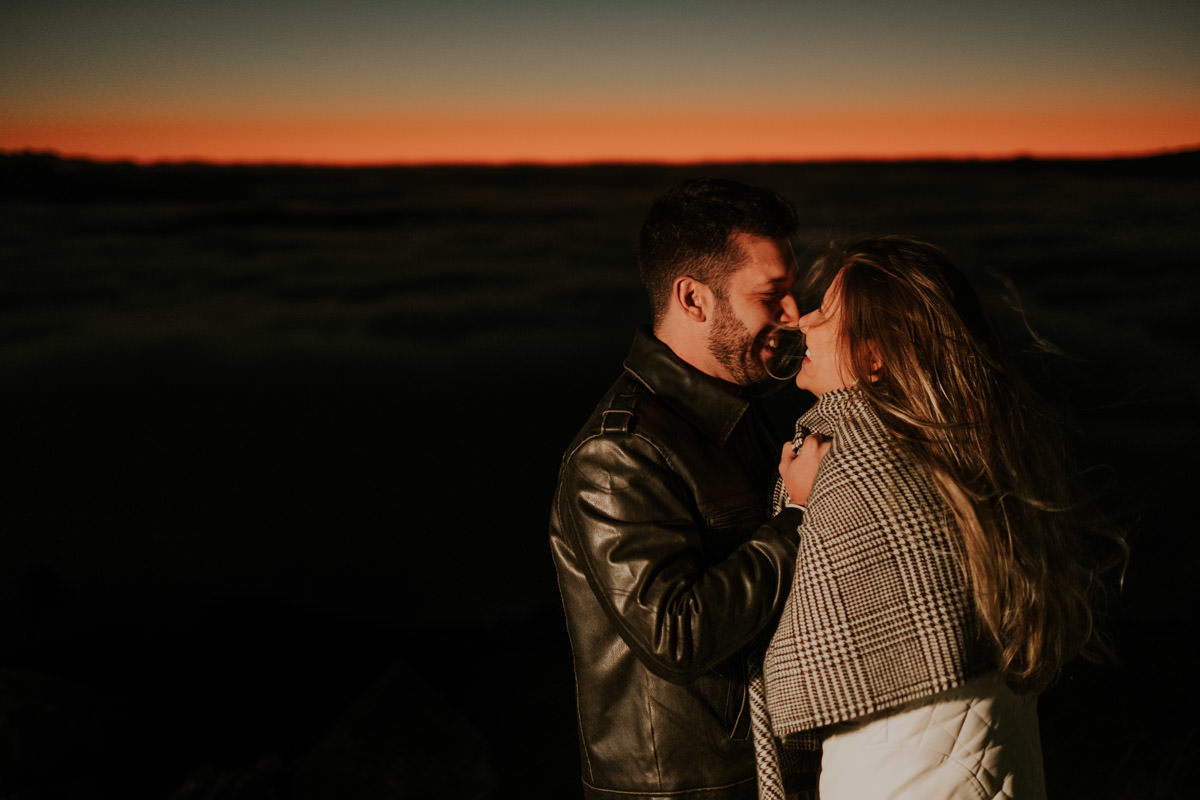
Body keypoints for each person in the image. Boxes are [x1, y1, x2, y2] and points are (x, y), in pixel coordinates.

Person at [754, 236, 1125, 799]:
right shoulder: (954, 438)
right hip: (993, 748)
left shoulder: (854, 455)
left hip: (902, 767)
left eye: (827, 313)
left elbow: (827, 647)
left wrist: (801, 506)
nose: (804, 320)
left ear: (874, 357)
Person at [548, 178, 817, 800]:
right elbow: (675, 634)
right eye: (770, 295)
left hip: (765, 770)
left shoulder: (736, 412)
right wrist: (798, 517)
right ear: (694, 299)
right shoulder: (619, 452)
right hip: (685, 789)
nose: (793, 314)